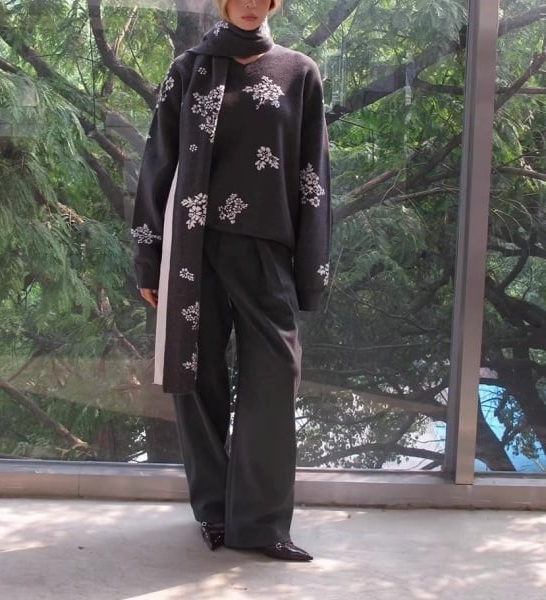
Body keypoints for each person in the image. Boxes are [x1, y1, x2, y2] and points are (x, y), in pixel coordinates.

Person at [131, 0, 330, 562]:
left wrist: (311, 267)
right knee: (199, 381)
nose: (249, 3)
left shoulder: (299, 72)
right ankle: (214, 512)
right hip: (194, 247)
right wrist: (149, 257)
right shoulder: (189, 68)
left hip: (268, 248)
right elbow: (158, 164)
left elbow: (313, 174)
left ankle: (262, 524)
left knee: (275, 376)